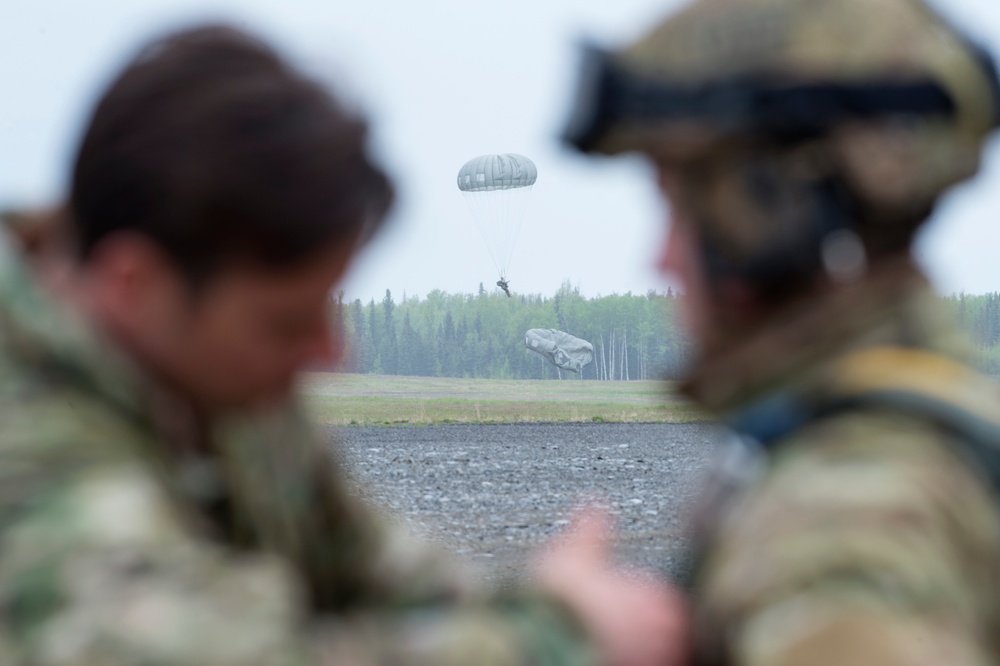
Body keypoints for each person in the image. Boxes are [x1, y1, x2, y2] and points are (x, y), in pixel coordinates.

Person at [0, 26, 687, 666]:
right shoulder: (27, 445)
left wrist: (544, 600)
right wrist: (557, 633)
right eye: (285, 324)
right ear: (134, 284)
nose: (333, 354)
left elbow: (404, 578)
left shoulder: (228, 392)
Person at [564, 0, 1000, 662]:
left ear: (762, 213)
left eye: (676, 210)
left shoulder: (843, 521)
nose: (659, 261)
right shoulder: (945, 420)